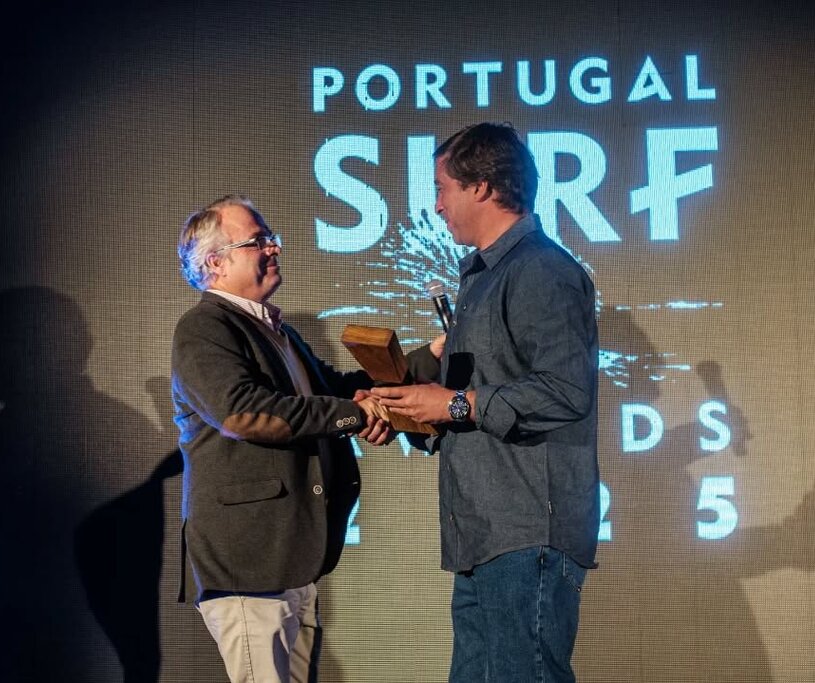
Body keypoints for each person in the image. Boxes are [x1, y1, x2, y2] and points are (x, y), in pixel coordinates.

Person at [372, 123, 600, 683]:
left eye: (442, 188)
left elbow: (566, 391)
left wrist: (451, 405)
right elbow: (471, 402)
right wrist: (410, 413)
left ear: (480, 187)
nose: (437, 205)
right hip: (483, 531)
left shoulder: (541, 270)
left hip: (526, 529)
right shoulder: (482, 279)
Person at [171, 195, 426, 683]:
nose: (274, 248)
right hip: (251, 564)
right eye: (257, 241)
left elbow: (336, 390)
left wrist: (428, 358)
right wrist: (357, 414)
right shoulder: (204, 327)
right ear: (215, 263)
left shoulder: (273, 329)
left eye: (271, 238)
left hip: (291, 560)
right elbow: (245, 412)